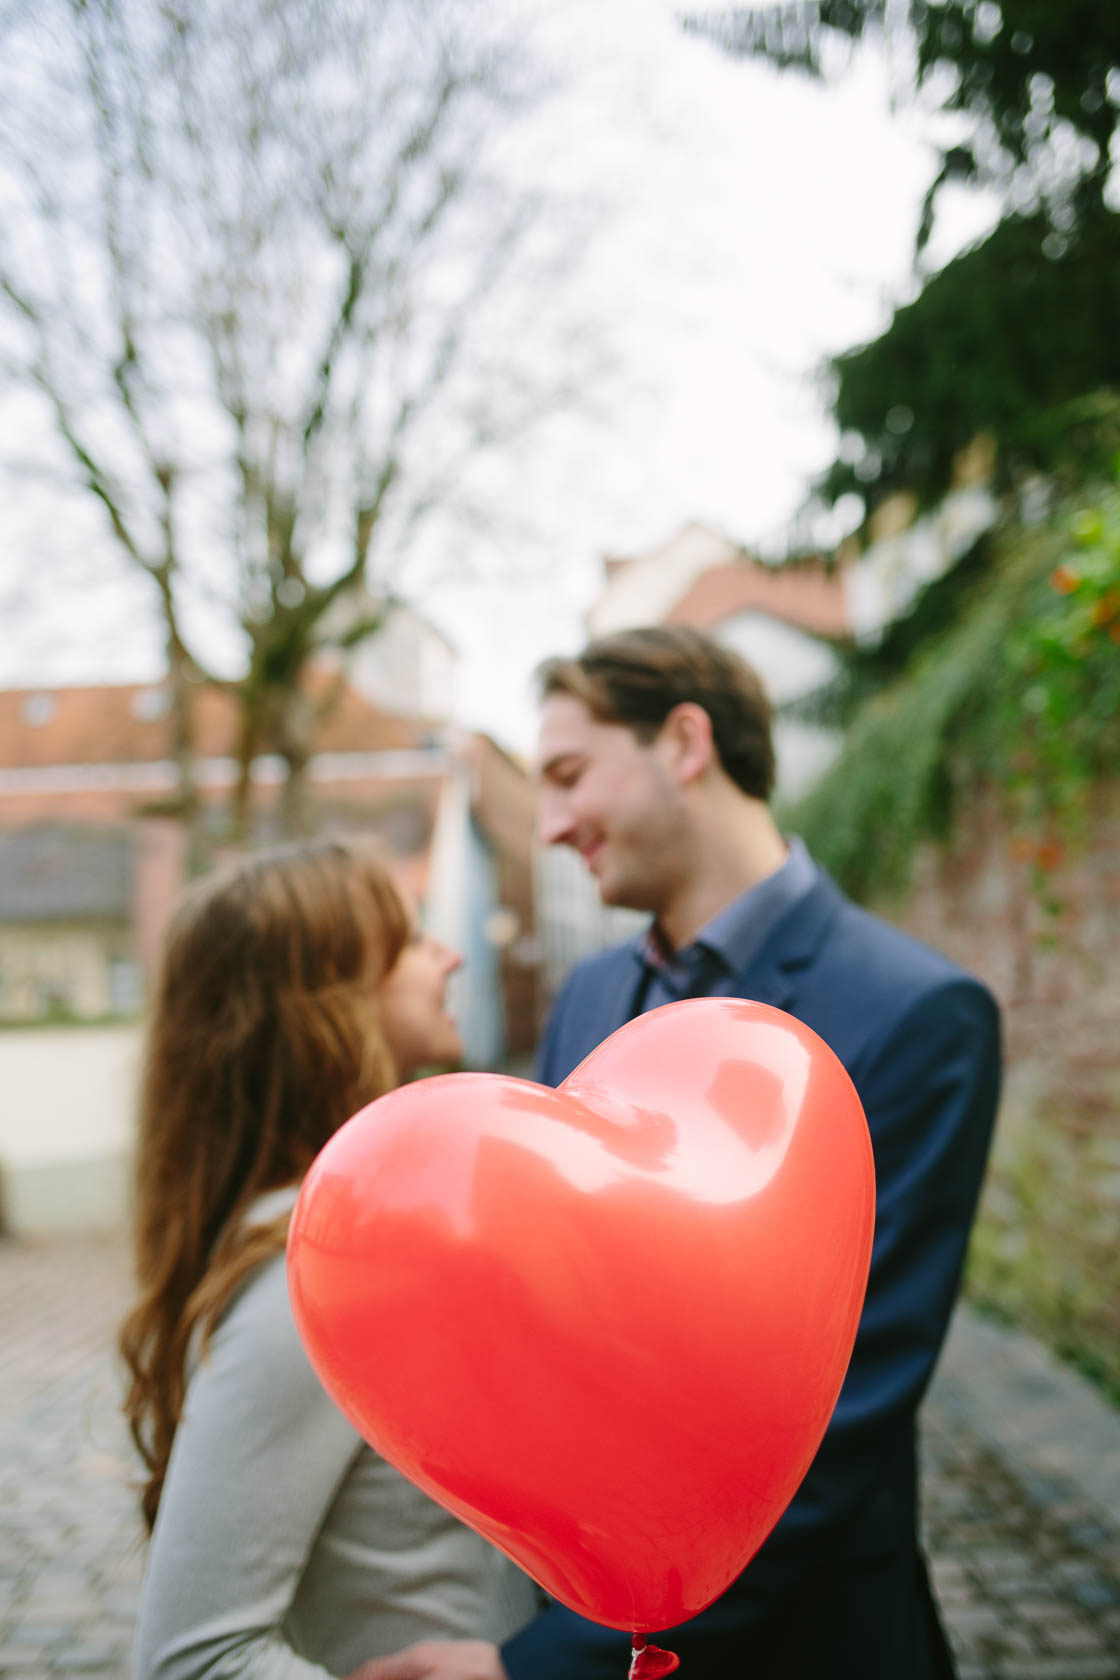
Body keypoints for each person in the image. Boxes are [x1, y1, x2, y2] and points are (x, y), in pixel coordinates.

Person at [363, 626, 1001, 1680]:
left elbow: (847, 1408)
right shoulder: (590, 997)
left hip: (808, 1642)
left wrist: (547, 1665)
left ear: (686, 743)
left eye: (569, 775)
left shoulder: (914, 1013)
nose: (554, 823)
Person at [119, 837, 538, 1680]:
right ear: (333, 1005)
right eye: (414, 940)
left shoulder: (356, 1237)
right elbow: (190, 1659)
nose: (450, 955)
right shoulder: (316, 1278)